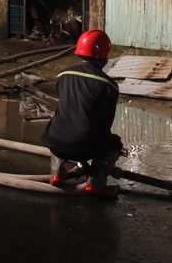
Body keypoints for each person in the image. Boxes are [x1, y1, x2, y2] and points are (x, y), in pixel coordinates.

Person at [41, 29, 123, 198]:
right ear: (105, 56)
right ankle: (95, 181)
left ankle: (57, 172)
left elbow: (66, 109)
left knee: (56, 130)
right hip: (87, 147)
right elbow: (106, 123)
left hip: (57, 142)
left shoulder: (63, 75)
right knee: (114, 143)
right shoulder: (109, 85)